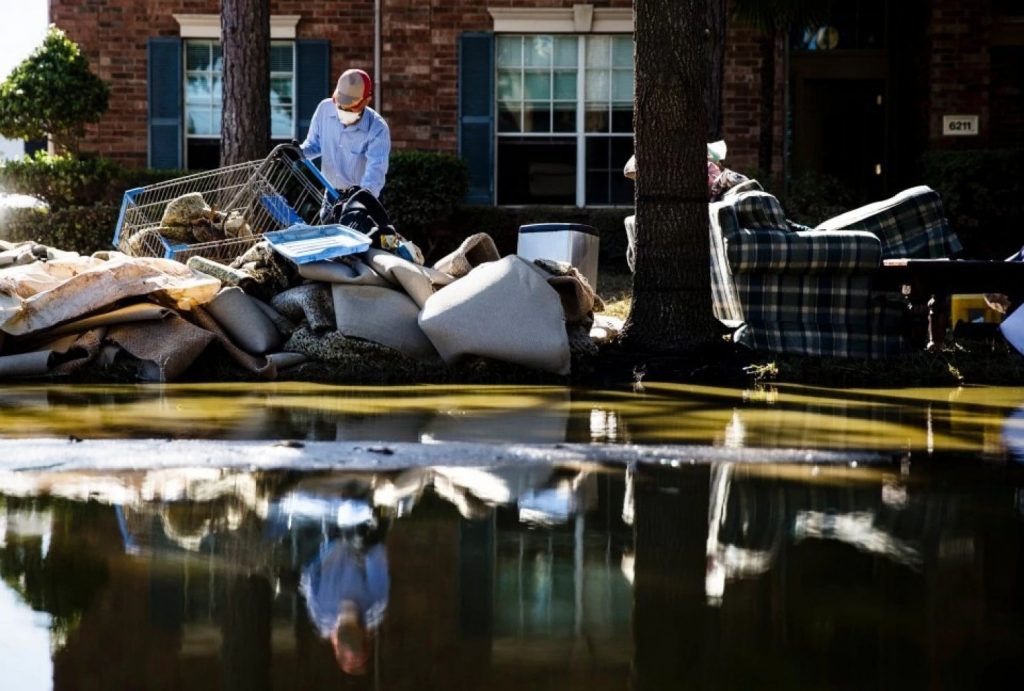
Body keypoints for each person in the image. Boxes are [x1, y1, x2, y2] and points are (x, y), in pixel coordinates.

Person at [299, 522, 389, 675]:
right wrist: (360, 541)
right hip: (358, 527)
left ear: (335, 643)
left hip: (324, 533)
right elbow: (375, 553)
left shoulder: (321, 615)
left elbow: (308, 575)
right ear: (365, 636)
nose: (348, 627)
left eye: (346, 639)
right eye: (355, 638)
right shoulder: (374, 605)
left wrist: (326, 545)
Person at [300, 68, 391, 200]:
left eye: (350, 108)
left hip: (362, 197)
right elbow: (314, 145)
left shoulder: (377, 128)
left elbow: (375, 173)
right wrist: (297, 152)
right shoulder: (324, 109)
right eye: (340, 106)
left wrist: (361, 202)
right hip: (331, 193)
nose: (343, 111)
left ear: (366, 101)